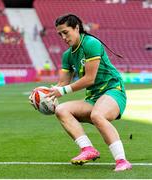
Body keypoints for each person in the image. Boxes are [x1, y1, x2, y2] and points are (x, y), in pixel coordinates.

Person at [45, 14, 132, 172]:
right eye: (60, 34)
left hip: (113, 90)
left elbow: (90, 79)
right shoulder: (67, 55)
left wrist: (62, 91)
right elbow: (62, 83)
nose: (63, 37)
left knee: (97, 115)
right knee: (61, 110)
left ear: (76, 28)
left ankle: (122, 161)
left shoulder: (91, 43)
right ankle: (87, 149)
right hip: (94, 98)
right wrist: (45, 94)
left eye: (66, 32)